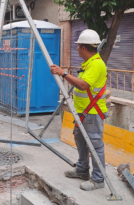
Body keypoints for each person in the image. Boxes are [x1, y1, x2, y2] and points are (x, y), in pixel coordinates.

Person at [50, 29, 108, 191]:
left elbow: (83, 85)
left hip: (92, 113)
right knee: (81, 141)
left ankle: (98, 179)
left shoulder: (96, 64)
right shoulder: (89, 63)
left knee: (95, 145)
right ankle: (82, 170)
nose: (77, 49)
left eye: (78, 47)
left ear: (83, 48)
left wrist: (63, 73)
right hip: (82, 112)